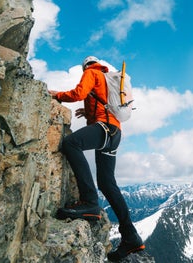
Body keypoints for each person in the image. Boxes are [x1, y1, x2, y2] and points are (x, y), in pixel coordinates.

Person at [49, 56, 145, 261]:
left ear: (86, 66)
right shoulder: (106, 78)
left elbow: (78, 93)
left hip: (104, 129)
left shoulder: (91, 73)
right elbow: (101, 104)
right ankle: (131, 236)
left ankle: (89, 202)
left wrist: (57, 95)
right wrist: (89, 111)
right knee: (107, 183)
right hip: (114, 134)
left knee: (71, 143)